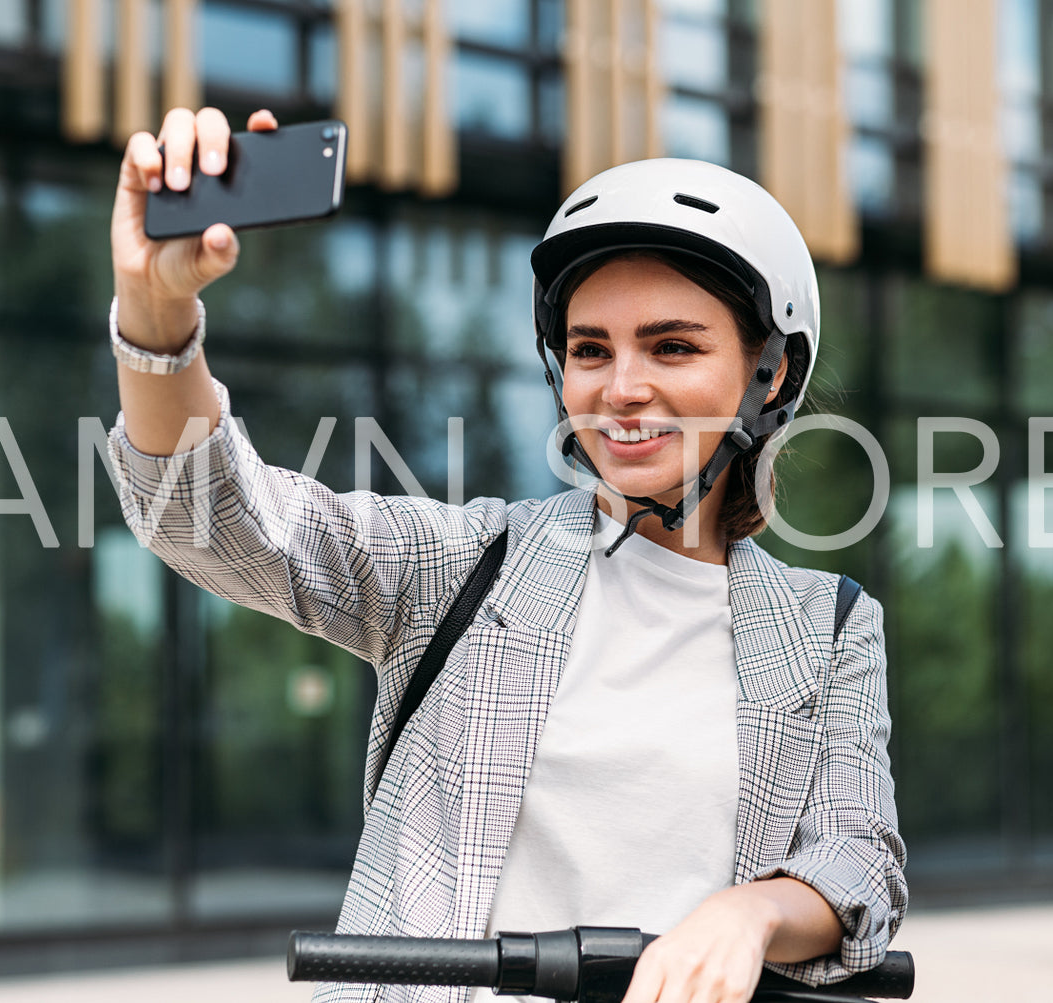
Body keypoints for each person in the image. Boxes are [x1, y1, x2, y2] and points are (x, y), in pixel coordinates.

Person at [106, 106, 906, 1003]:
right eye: (589, 349)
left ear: (772, 374)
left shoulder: (826, 626)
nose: (622, 388)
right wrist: (155, 308)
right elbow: (212, 520)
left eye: (673, 346)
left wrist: (748, 912)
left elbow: (857, 856)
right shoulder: (468, 562)